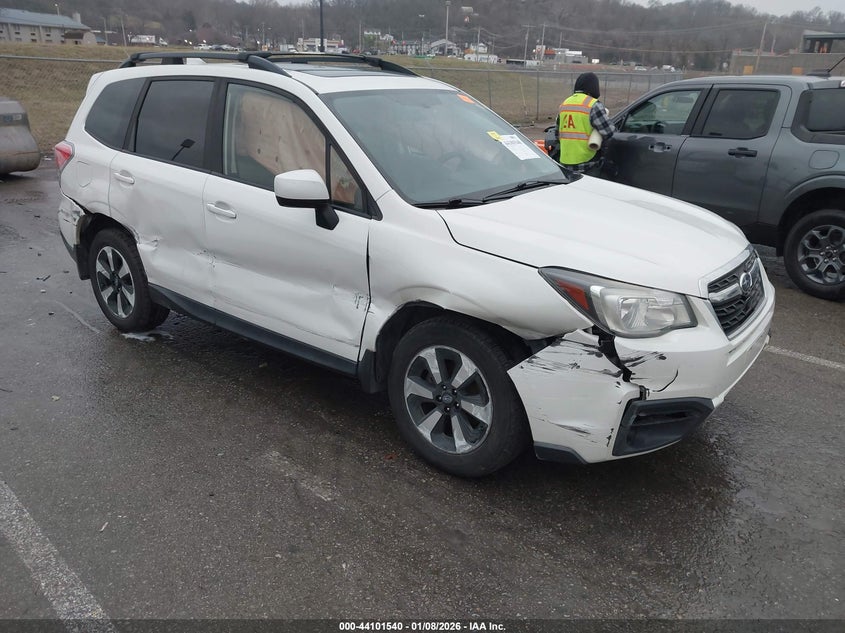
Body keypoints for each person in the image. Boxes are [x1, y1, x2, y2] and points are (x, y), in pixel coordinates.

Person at [556, 72, 615, 175]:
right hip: (587, 164)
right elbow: (609, 131)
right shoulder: (593, 105)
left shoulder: (564, 104)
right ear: (594, 88)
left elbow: (557, 134)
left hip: (565, 163)